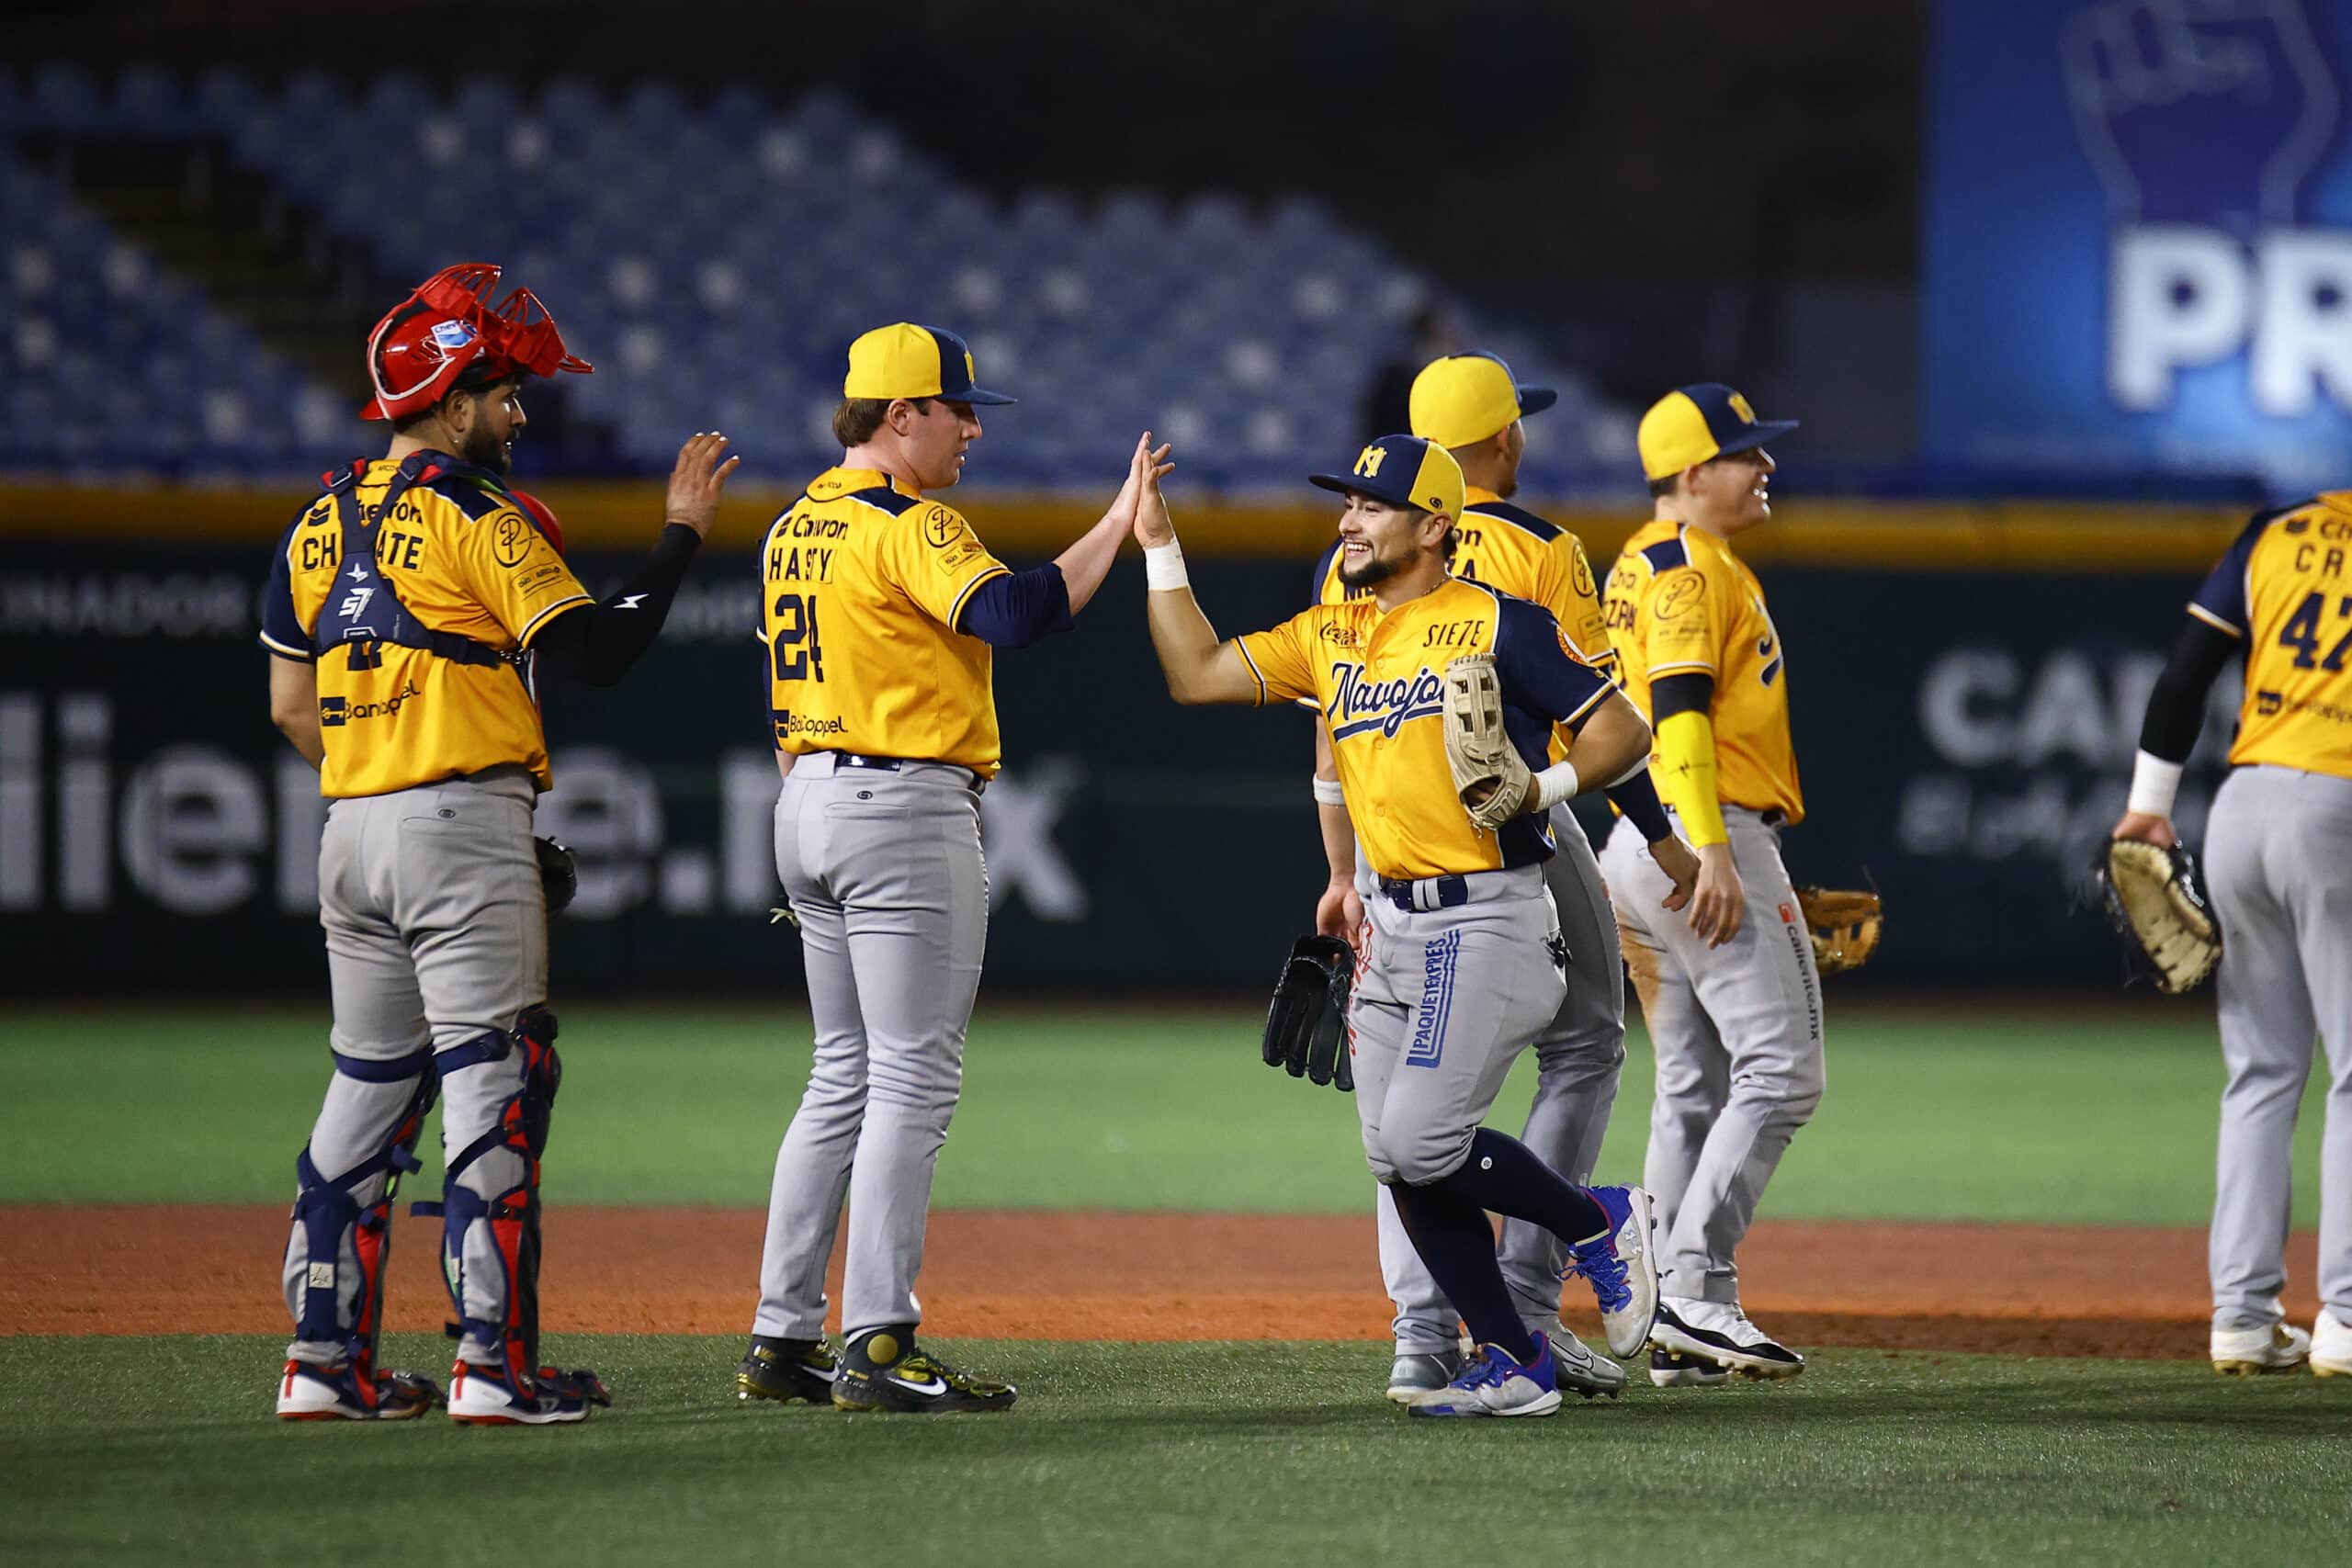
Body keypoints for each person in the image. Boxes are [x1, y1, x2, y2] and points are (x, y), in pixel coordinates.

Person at [260, 264, 739, 1424]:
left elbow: (287, 708)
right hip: (459, 823)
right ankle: (493, 1368)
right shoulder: (476, 514)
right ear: (451, 396)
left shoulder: (317, 522)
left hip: (348, 830)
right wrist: (681, 536)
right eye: (506, 392)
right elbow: (600, 653)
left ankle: (320, 1366)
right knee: (496, 1085)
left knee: (366, 1091)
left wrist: (384, 783)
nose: (520, 413)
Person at [1136, 431, 1659, 1418]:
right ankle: (1516, 1362)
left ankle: (1600, 1215)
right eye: (1348, 504)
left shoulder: (1497, 623)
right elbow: (1195, 671)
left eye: (1370, 507)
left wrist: (1539, 786)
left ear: (1432, 526)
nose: (1348, 520)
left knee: (1421, 1140)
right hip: (1390, 921)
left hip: (1489, 917)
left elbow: (1621, 728)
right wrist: (1159, 545)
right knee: (1395, 1156)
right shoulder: (1333, 631)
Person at [736, 323, 1170, 1415]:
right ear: (899, 416)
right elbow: (1017, 614)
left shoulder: (794, 526)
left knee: (842, 1070)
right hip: (899, 806)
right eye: (955, 408)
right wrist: (1118, 521)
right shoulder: (902, 520)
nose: (972, 427)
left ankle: (781, 1337)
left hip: (807, 796)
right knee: (911, 1075)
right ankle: (877, 1340)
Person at [1307, 353, 1698, 1404]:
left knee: (1396, 1117)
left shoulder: (1350, 552)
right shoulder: (1540, 549)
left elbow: (1329, 748)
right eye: (1515, 422)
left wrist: (1340, 872)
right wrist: (1658, 837)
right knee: (1583, 1044)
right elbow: (1601, 723)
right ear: (1502, 440)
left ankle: (1423, 1334)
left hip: (1389, 848)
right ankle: (1531, 1299)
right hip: (1512, 824)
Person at [1600, 383, 1820, 1385]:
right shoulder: (1687, 566)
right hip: (1697, 830)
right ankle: (1691, 1286)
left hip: (1638, 841)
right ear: (1692, 475)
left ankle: (1673, 1314)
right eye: (1744, 454)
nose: (1763, 468)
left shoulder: (1644, 562)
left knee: (1693, 1083)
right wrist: (1712, 850)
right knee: (1782, 1071)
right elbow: (1679, 711)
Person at [2111, 491, 2352, 1378]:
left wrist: (2148, 809)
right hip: (2342, 805)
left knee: (2261, 1072)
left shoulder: (2280, 528)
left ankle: (2244, 1317)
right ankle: (2349, 1317)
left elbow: (2183, 678)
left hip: (2244, 805)